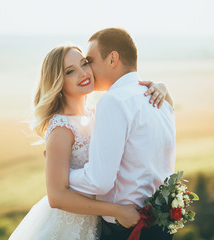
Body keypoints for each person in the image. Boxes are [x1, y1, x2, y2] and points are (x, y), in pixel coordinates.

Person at [9, 42, 173, 239]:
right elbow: (57, 197)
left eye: (84, 63)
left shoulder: (98, 112)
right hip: (70, 224)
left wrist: (161, 88)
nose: (83, 73)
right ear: (58, 82)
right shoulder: (61, 128)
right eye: (70, 71)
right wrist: (116, 210)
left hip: (98, 222)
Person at [68, 28, 175, 240]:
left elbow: (99, 181)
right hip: (161, 228)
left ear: (113, 58)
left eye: (90, 60)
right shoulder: (162, 101)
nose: (87, 68)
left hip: (125, 231)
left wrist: (62, 173)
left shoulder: (113, 101)